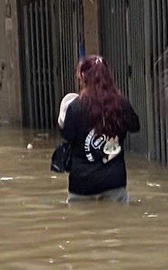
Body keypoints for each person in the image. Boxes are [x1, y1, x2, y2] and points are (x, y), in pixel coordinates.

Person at [58, 55, 141, 203]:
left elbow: (67, 136)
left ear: (83, 77)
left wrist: (62, 117)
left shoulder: (75, 107)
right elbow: (135, 127)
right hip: (113, 181)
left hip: (81, 183)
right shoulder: (120, 104)